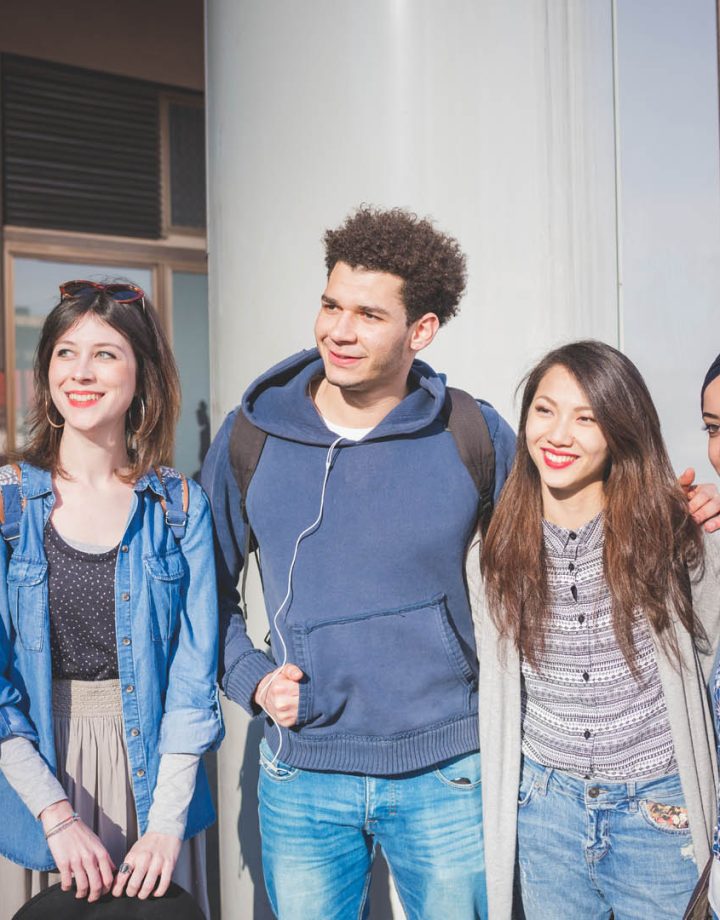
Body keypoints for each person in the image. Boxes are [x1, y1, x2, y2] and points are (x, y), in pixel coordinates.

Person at [201, 206, 517, 919]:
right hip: (303, 774)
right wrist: (250, 678)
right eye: (330, 304)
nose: (338, 330)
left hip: (449, 772)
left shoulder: (473, 432)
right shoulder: (252, 436)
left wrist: (680, 519)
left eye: (369, 315)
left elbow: (561, 550)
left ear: (421, 330)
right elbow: (201, 591)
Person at [471, 340, 720, 919]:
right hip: (546, 813)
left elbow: (706, 655)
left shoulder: (676, 538)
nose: (559, 434)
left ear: (621, 431)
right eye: (545, 410)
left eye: (587, 418)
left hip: (658, 816)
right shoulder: (492, 548)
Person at [0, 281, 223, 918]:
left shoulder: (178, 507)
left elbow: (193, 675)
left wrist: (165, 823)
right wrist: (55, 814)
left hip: (155, 766)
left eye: (106, 354)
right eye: (66, 353)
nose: (82, 372)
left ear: (141, 374)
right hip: (40, 762)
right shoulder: (9, 504)